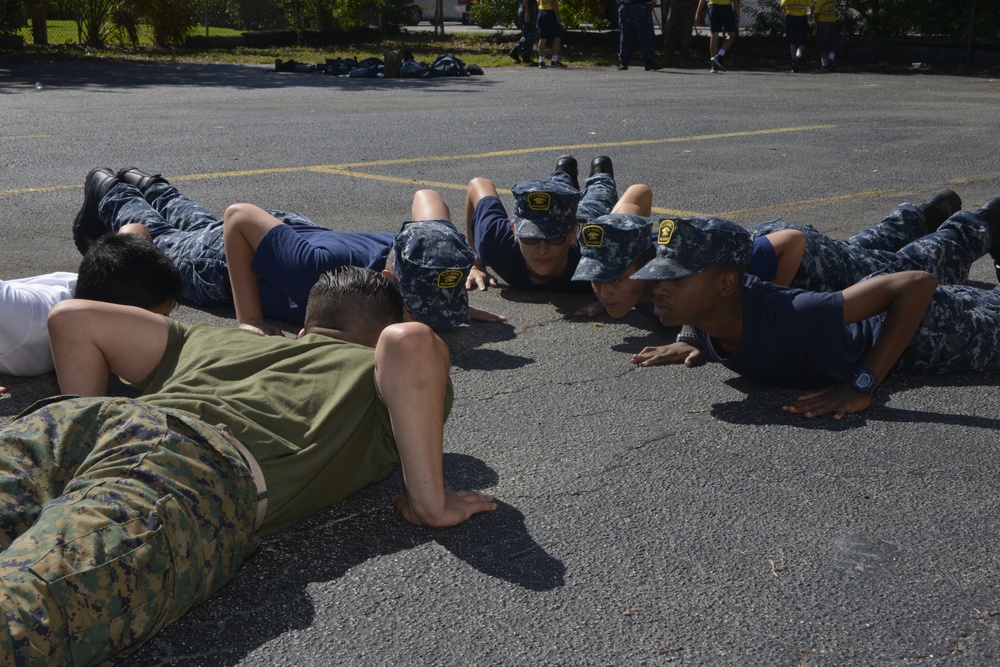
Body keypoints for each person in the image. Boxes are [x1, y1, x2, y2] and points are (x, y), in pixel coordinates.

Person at [0, 269, 497, 664]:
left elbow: (71, 318)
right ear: (376, 340)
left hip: (74, 424)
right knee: (29, 610)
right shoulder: (376, 383)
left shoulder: (223, 341)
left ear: (305, 330)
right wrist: (428, 503)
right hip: (185, 465)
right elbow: (410, 341)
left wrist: (84, 468)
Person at [628, 197, 1000, 419]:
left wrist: (863, 385)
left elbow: (915, 284)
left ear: (726, 285)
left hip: (937, 330)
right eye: (659, 275)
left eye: (675, 279)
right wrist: (690, 336)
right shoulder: (710, 316)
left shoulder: (786, 312)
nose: (659, 288)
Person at [72, 167, 498, 331]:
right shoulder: (319, 276)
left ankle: (152, 186)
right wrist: (251, 318)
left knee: (200, 224)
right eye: (415, 308)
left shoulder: (420, 249)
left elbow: (428, 196)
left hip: (284, 234)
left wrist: (454, 287)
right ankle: (109, 188)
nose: (420, 320)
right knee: (164, 242)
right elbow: (239, 218)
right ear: (388, 279)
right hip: (221, 265)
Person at [577, 189, 969, 323]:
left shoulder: (688, 276)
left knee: (902, 270)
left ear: (646, 266)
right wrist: (609, 298)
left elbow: (792, 243)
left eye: (613, 279)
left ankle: (977, 226)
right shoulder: (626, 246)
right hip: (773, 249)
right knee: (863, 247)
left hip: (801, 260)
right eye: (598, 280)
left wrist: (765, 306)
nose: (605, 288)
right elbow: (637, 193)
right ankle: (929, 212)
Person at [0, 234, 182, 382]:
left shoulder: (106, 291)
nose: (165, 328)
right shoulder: (29, 319)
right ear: (114, 316)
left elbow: (136, 229)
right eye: (159, 319)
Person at [464, 155, 618, 294]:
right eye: (531, 237)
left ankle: (601, 174)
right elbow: (476, 185)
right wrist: (477, 263)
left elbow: (636, 196)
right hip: (561, 217)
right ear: (515, 231)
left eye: (554, 238)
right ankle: (563, 172)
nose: (542, 250)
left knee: (599, 196)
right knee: (551, 194)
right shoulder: (495, 243)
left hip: (586, 217)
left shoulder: (596, 252)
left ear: (572, 234)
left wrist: (608, 298)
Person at [695, 0, 739, 73]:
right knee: (731, 35)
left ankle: (714, 63)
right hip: (725, 8)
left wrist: (697, 12)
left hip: (713, 7)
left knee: (714, 36)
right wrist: (738, 15)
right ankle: (718, 57)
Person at [617, 0, 661, 71]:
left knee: (625, 35)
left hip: (625, 6)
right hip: (640, 6)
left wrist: (621, 3)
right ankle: (649, 62)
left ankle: (623, 62)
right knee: (646, 35)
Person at [781, 0, 812, 72]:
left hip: (791, 18)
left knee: (792, 41)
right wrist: (810, 12)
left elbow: (782, 5)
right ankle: (797, 58)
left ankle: (794, 61)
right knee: (801, 41)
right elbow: (811, 6)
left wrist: (786, 10)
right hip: (801, 18)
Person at [663, 0, 696, 66]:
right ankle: (668, 58)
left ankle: (683, 59)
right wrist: (665, 9)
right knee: (669, 33)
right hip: (673, 9)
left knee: (686, 35)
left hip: (686, 8)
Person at [536, 0, 566, 68]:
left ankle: (542, 61)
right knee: (557, 37)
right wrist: (557, 15)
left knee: (542, 38)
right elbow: (553, 2)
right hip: (550, 12)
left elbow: (538, 3)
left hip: (541, 12)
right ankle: (554, 60)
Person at [509, 0, 538, 64]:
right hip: (528, 10)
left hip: (525, 8)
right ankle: (515, 51)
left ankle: (526, 56)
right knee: (530, 35)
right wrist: (527, 13)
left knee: (528, 35)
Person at [813, 0, 838, 71]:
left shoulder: (819, 1)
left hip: (823, 23)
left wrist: (817, 22)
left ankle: (824, 64)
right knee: (832, 43)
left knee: (823, 44)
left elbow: (816, 14)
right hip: (832, 23)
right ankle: (831, 59)